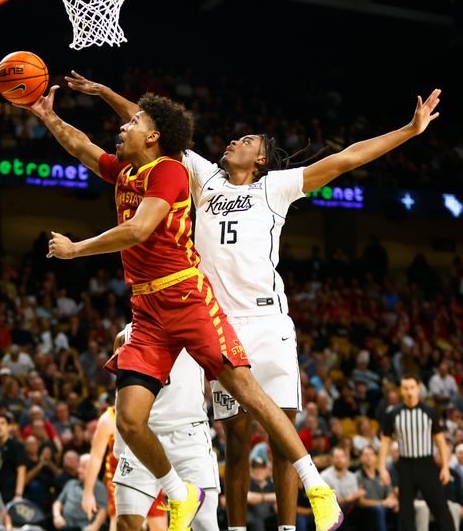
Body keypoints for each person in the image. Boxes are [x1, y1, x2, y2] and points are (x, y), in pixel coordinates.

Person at [66, 70, 441, 531]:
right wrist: (106, 94)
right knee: (237, 440)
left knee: (282, 436)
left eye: (246, 140)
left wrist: (409, 130)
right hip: (216, 315)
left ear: (261, 157)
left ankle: (294, 521)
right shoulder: (201, 177)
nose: (233, 142)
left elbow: (345, 160)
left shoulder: (275, 187)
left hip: (269, 322)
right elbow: (152, 132)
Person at [20, 79, 345, 531]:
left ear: (152, 137)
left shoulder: (171, 171)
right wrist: (48, 116)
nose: (124, 125)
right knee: (129, 419)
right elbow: (83, 148)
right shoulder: (128, 171)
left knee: (249, 393)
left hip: (188, 297)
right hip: (147, 310)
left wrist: (77, 249)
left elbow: (138, 229)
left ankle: (318, 488)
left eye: (133, 123)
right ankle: (180, 493)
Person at [99, 325, 219, 531]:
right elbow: (122, 393)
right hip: (142, 437)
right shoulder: (124, 337)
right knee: (125, 523)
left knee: (204, 524)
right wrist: (120, 446)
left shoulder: (194, 325)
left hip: (188, 433)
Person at [378, 375, 454, 531]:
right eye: (405, 388)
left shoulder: (430, 411)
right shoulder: (393, 414)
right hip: (405, 465)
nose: (409, 392)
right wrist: (382, 467)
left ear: (418, 389)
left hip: (426, 464)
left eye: (412, 387)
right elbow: (385, 442)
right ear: (401, 391)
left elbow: (440, 441)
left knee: (440, 507)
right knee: (405, 512)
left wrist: (445, 467)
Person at [53, 453, 107, 531]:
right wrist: (57, 516)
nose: (79, 470)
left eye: (83, 467)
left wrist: (95, 526)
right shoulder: (71, 483)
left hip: (84, 527)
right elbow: (58, 502)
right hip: (65, 525)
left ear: (93, 469)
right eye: (79, 466)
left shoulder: (98, 487)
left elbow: (103, 510)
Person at [356, 446, 397, 531]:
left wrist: (390, 500)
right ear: (361, 458)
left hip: (384, 506)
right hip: (366, 510)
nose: (369, 457)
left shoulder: (382, 473)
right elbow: (361, 502)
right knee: (379, 510)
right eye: (365, 455)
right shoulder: (357, 476)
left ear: (376, 457)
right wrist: (382, 503)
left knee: (400, 507)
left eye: (371, 454)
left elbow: (390, 492)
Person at [0, 413, 26, 503]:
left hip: (10, 494)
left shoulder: (16, 445)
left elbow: (21, 469)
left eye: (2, 423)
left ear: (9, 427)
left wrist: (18, 495)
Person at [321, 447, 362, 517]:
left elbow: (355, 498)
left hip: (351, 511)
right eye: (336, 457)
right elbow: (327, 502)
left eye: (342, 457)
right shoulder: (325, 476)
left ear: (346, 459)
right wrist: (348, 498)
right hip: (332, 512)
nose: (339, 460)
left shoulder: (352, 476)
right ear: (332, 459)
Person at [246, 457, 277, 531]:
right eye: (256, 468)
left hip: (269, 518)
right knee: (257, 522)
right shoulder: (248, 484)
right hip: (252, 519)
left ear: (267, 470)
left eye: (262, 468)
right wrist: (271, 497)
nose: (259, 471)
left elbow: (278, 503)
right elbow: (247, 497)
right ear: (252, 470)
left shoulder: (272, 484)